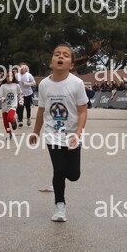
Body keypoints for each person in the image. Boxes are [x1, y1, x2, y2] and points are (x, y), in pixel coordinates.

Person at [30, 44, 88, 222]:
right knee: (59, 170)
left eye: (65, 55)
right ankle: (59, 205)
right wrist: (35, 132)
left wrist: (78, 134)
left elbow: (82, 111)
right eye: (57, 54)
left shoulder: (76, 83)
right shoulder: (44, 84)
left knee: (74, 175)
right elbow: (41, 110)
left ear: (71, 64)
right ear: (51, 62)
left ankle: (63, 188)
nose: (60, 56)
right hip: (52, 134)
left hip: (72, 135)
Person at [0, 71, 24, 138]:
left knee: (10, 118)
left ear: (13, 77)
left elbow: (20, 94)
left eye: (11, 76)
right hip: (5, 106)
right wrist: (2, 99)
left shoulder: (16, 85)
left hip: (13, 105)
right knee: (5, 122)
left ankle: (13, 121)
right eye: (8, 76)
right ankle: (9, 133)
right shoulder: (3, 86)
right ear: (5, 77)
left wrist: (21, 101)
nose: (9, 77)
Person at [16, 62, 36, 127]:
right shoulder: (17, 75)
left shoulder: (29, 75)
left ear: (25, 69)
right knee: (20, 107)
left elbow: (34, 83)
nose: (21, 69)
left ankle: (28, 118)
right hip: (20, 94)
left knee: (27, 107)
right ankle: (20, 120)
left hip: (28, 93)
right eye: (20, 68)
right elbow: (13, 82)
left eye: (23, 68)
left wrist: (27, 84)